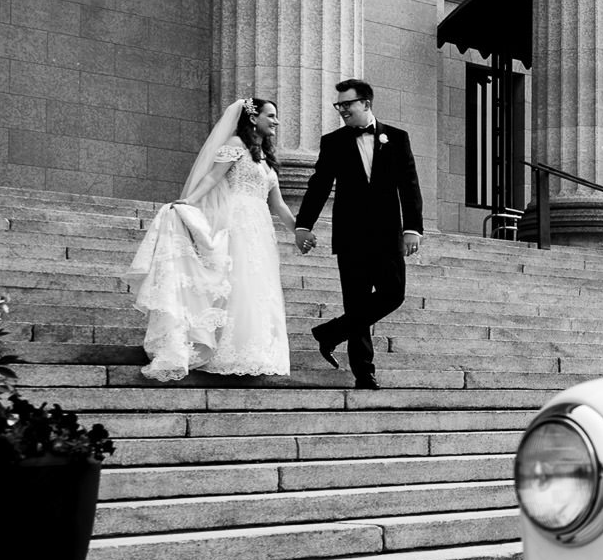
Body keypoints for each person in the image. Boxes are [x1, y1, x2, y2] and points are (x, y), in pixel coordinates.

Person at [126, 96, 296, 380]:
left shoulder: (266, 159)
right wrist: (188, 201)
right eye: (271, 115)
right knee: (237, 282)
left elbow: (278, 204)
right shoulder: (234, 146)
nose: (276, 121)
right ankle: (224, 351)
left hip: (260, 229)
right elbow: (211, 178)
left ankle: (255, 351)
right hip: (238, 222)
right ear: (253, 118)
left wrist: (299, 230)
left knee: (257, 286)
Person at [294, 79, 422, 391]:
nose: (342, 111)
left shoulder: (397, 138)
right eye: (338, 106)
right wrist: (303, 224)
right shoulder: (333, 141)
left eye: (347, 105)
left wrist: (412, 228)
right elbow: (319, 184)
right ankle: (364, 374)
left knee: (394, 293)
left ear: (365, 103)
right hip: (350, 235)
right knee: (357, 301)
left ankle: (330, 333)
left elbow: (409, 185)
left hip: (388, 233)